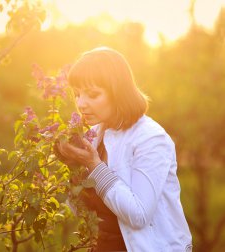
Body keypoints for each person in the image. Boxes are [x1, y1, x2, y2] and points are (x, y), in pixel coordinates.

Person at [56, 47, 192, 252]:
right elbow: (81, 212)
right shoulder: (95, 135)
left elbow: (139, 215)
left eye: (93, 95)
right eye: (77, 94)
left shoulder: (151, 139)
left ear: (118, 93)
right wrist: (73, 167)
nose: (81, 104)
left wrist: (93, 165)